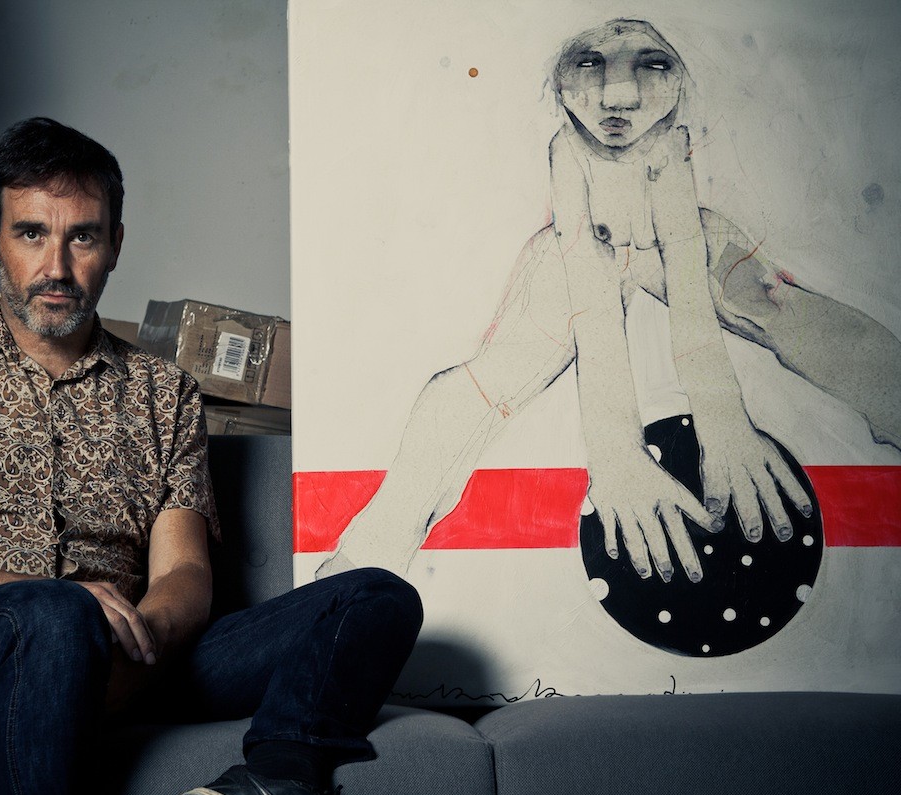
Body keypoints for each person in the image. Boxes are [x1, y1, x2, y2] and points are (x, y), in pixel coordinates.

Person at [0, 116, 422, 795]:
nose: (56, 267)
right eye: (31, 233)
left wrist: (140, 644)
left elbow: (183, 570)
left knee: (376, 597)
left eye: (83, 236)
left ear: (115, 246)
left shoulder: (165, 393)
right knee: (56, 618)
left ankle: (271, 781)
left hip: (125, 655)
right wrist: (55, 604)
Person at [318, 18, 901, 583]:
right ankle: (365, 557)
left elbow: (685, 262)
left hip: (680, 241)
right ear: (559, 83)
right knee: (488, 382)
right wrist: (615, 450)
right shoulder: (567, 151)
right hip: (578, 252)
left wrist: (723, 416)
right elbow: (590, 294)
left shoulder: (671, 145)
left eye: (653, 64)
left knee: (787, 311)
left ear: (679, 81)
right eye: (589, 63)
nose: (617, 94)